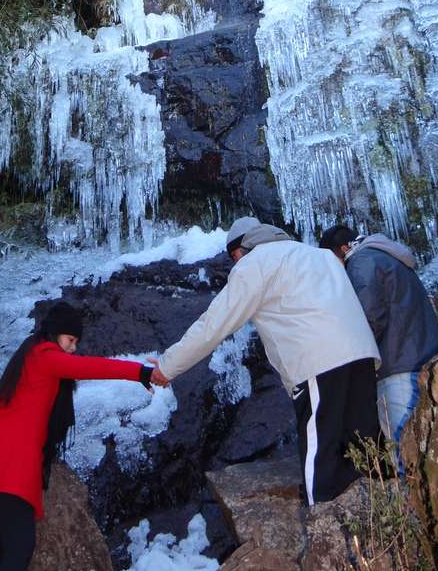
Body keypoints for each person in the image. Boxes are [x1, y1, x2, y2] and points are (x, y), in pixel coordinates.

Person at [0, 295, 156, 571]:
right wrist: (140, 371)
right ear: (56, 334)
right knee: (18, 551)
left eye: (75, 344)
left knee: (15, 552)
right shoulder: (43, 356)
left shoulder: (29, 357)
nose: (72, 350)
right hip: (7, 474)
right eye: (71, 341)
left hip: (3, 472)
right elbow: (91, 368)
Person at [149, 217, 381, 507]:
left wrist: (166, 366)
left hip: (321, 362)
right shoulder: (318, 254)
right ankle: (389, 532)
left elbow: (213, 325)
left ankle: (327, 536)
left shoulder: (255, 263)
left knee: (323, 460)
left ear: (245, 247)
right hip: (362, 356)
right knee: (368, 448)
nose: (235, 265)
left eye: (234, 257)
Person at [318, 226, 438, 447]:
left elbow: (368, 318)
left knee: (404, 446)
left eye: (331, 260)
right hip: (421, 358)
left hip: (398, 366)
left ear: (344, 249)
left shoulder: (361, 262)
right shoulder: (389, 258)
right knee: (426, 444)